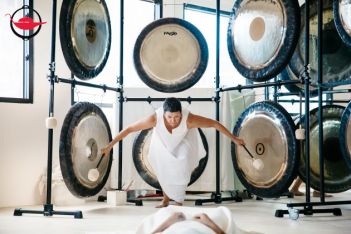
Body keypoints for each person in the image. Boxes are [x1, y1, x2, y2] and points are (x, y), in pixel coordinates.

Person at [101, 97, 245, 208]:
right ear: (164, 114)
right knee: (162, 166)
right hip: (162, 141)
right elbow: (129, 129)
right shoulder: (155, 118)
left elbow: (214, 123)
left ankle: (179, 201)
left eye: (176, 117)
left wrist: (235, 139)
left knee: (182, 163)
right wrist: (109, 146)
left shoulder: (190, 119)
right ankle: (165, 199)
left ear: (181, 113)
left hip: (185, 139)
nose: (173, 121)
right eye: (169, 117)